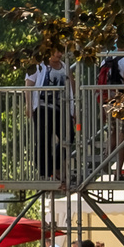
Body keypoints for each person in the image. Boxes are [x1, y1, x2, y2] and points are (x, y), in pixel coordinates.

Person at [27, 47, 70, 179]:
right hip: (42, 107)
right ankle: (44, 172)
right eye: (57, 51)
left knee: (68, 137)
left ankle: (54, 165)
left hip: (61, 108)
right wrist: (28, 106)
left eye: (61, 51)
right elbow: (28, 85)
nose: (59, 54)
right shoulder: (38, 65)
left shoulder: (64, 66)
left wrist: (73, 109)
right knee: (42, 139)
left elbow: (71, 87)